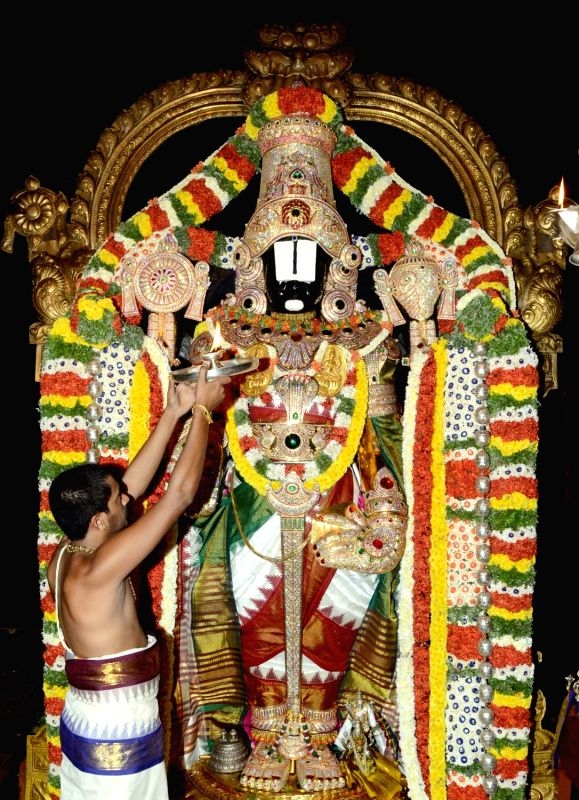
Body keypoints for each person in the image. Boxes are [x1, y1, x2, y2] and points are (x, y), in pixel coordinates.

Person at [46, 362, 231, 800]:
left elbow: (130, 485)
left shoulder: (69, 550)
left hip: (91, 717)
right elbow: (179, 497)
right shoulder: (101, 567)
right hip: (117, 731)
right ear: (98, 520)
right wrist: (202, 413)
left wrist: (173, 414)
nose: (128, 498)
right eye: (118, 501)